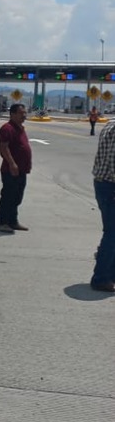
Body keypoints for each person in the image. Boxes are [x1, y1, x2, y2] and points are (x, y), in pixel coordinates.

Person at [0, 102, 31, 233]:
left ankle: (13, 221)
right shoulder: (7, 128)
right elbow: (4, 148)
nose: (24, 115)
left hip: (22, 169)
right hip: (11, 169)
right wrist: (12, 163)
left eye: (25, 113)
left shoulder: (20, 128)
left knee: (17, 197)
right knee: (8, 196)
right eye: (21, 113)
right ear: (12, 114)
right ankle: (1, 222)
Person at [90, 115, 115, 292]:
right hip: (111, 186)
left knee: (111, 232)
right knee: (112, 234)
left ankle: (110, 273)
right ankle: (101, 278)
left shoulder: (110, 123)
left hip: (102, 183)